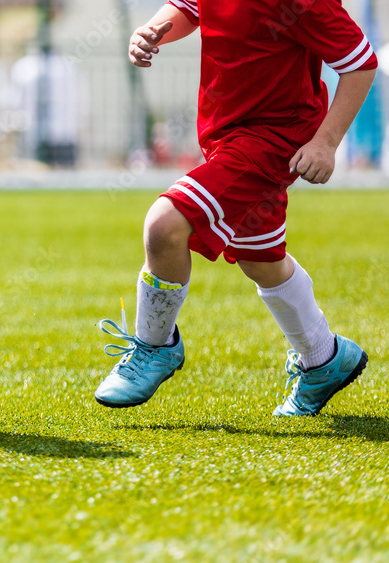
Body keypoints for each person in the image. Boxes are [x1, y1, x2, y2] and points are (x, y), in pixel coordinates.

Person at [96, 0, 377, 416]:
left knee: (164, 226)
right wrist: (153, 30)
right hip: (224, 136)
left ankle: (155, 348)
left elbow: (360, 63)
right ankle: (324, 359)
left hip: (272, 140)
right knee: (260, 259)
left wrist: (326, 142)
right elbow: (188, 8)